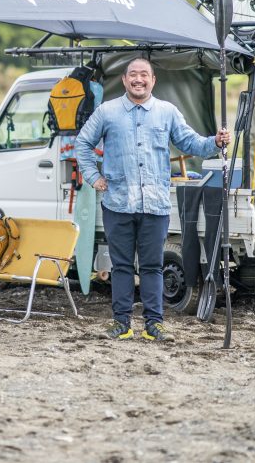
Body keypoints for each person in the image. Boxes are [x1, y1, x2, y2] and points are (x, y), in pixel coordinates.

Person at [75, 57, 230, 342]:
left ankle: (153, 325)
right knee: (120, 266)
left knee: (152, 266)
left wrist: (215, 142)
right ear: (124, 80)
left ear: (153, 80)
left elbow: (190, 142)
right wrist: (92, 176)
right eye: (133, 74)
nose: (138, 79)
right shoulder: (107, 112)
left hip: (155, 204)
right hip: (117, 202)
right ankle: (121, 323)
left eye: (144, 75)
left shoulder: (166, 112)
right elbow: (82, 144)